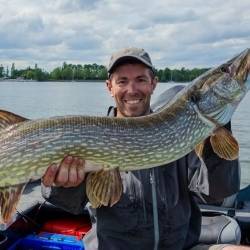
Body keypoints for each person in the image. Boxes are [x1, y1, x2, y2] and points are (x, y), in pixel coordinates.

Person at [41, 48, 246, 250]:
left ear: (153, 84)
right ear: (109, 87)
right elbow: (69, 205)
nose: (132, 90)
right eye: (122, 81)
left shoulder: (184, 132)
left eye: (140, 79)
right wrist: (64, 185)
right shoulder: (92, 138)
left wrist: (218, 124)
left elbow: (216, 193)